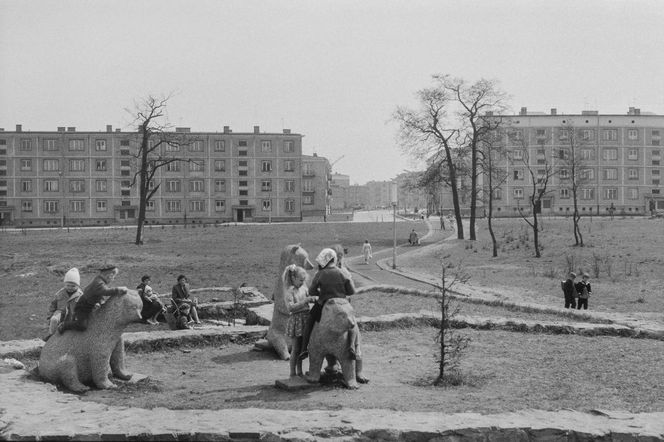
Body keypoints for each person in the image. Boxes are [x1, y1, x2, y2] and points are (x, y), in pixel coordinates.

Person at [299, 248, 356, 361]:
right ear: (334, 259)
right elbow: (351, 291)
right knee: (352, 322)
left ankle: (304, 348)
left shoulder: (320, 274)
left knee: (309, 321)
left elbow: (311, 292)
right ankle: (352, 345)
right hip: (342, 304)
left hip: (323, 304)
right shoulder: (342, 272)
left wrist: (321, 292)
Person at [59, 264, 128, 333]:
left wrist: (101, 301)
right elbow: (105, 291)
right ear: (109, 276)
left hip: (90, 305)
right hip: (83, 306)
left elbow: (99, 294)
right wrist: (118, 289)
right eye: (113, 277)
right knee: (82, 325)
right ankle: (65, 325)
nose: (113, 279)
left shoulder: (100, 280)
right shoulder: (98, 283)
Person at [283, 264, 317, 377]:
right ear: (293, 278)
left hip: (305, 319)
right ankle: (292, 372)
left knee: (303, 348)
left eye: (303, 280)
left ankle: (300, 371)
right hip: (297, 320)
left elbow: (308, 298)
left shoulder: (304, 288)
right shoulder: (290, 291)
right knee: (296, 348)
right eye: (300, 280)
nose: (302, 282)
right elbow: (290, 307)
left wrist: (313, 298)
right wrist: (304, 301)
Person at [46, 268, 83, 337]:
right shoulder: (60, 293)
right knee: (54, 319)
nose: (70, 288)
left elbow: (84, 305)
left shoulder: (80, 295)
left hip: (72, 315)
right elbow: (53, 305)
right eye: (68, 285)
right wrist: (49, 316)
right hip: (60, 313)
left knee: (73, 327)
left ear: (78, 286)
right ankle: (51, 336)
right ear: (64, 284)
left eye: (73, 286)